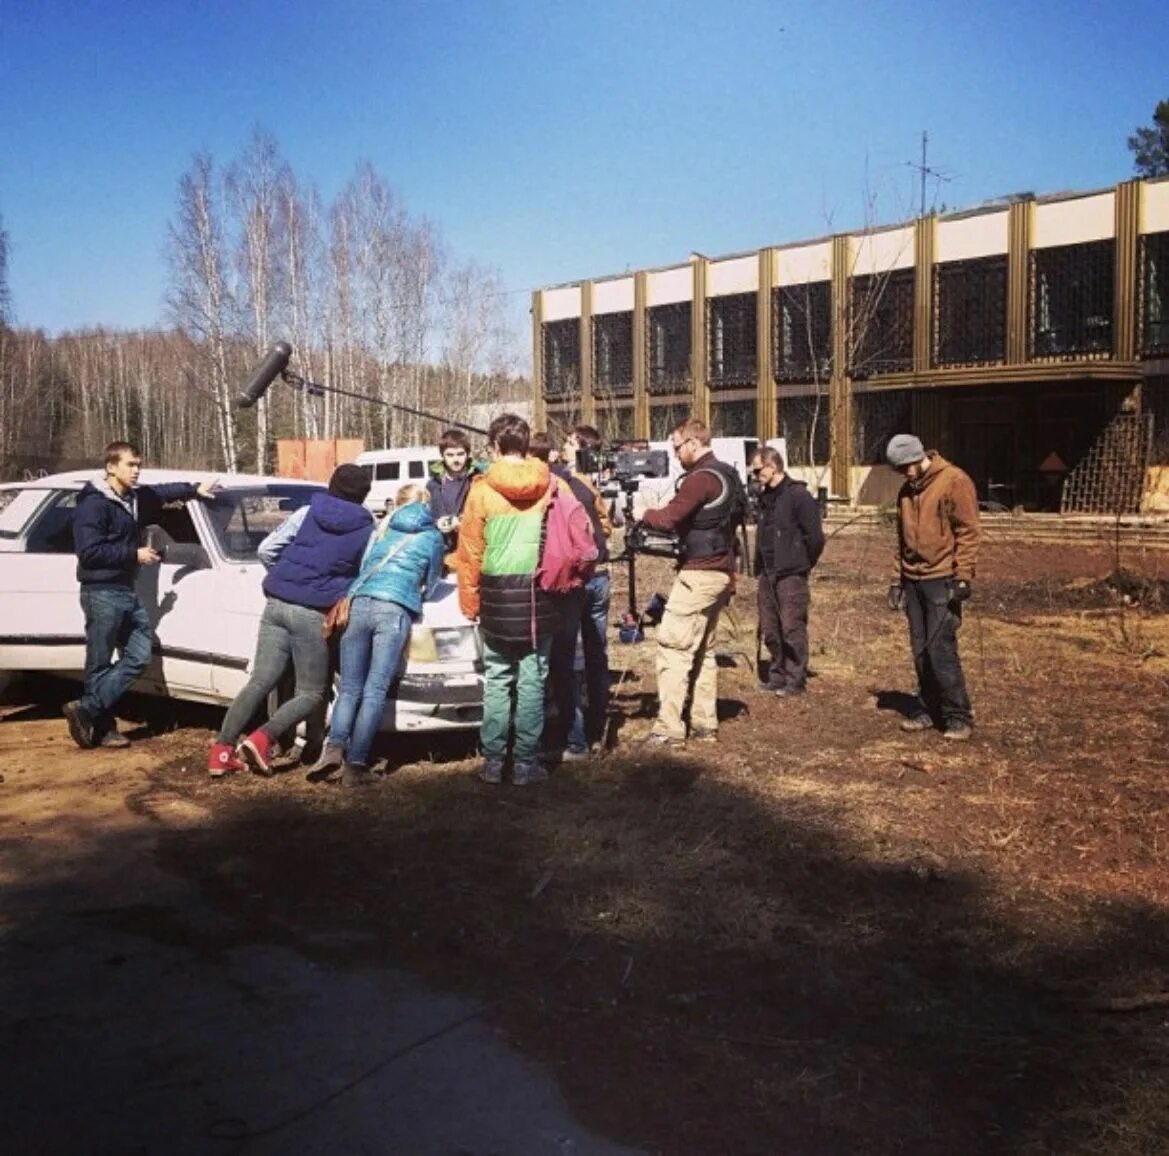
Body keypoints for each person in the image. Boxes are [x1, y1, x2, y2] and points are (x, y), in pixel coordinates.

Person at [207, 464, 373, 777]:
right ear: (364, 495)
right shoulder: (367, 529)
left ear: (331, 485)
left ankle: (221, 752)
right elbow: (363, 576)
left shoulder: (307, 512)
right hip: (312, 613)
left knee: (260, 680)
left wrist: (287, 578)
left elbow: (266, 549)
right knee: (311, 692)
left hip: (276, 603)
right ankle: (262, 738)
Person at [65, 441, 219, 749]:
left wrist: (193, 489)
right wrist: (133, 554)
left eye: (138, 465)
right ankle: (103, 728)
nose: (136, 471)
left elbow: (162, 492)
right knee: (99, 663)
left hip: (125, 588)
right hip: (101, 591)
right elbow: (89, 552)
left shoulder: (134, 498)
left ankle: (87, 709)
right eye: (130, 465)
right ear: (111, 467)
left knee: (137, 655)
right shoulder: (93, 505)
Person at [309, 484, 445, 787]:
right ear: (427, 506)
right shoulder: (432, 536)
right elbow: (433, 580)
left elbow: (364, 567)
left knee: (349, 688)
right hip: (393, 609)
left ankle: (333, 748)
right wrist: (419, 595)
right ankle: (356, 764)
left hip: (359, 603)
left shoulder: (382, 530)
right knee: (375, 689)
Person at [455, 413, 563, 786]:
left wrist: (469, 604)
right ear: (526, 444)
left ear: (494, 446)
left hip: (497, 597)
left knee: (498, 680)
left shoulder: (481, 490)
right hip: (538, 595)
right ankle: (525, 766)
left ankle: (493, 763)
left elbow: (469, 552)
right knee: (533, 680)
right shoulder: (549, 484)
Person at [638, 418, 744, 746]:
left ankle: (668, 729)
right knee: (703, 650)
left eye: (676, 446)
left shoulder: (700, 479)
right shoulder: (728, 474)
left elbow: (669, 518)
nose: (674, 453)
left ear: (694, 443)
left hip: (700, 572)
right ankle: (703, 723)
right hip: (721, 570)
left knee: (674, 647)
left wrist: (643, 512)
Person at [885, 433, 981, 742]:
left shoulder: (955, 480)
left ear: (918, 457)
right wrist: (896, 580)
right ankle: (927, 710)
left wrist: (963, 576)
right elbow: (901, 541)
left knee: (941, 649)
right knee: (920, 648)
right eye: (899, 470)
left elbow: (968, 532)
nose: (904, 474)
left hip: (942, 579)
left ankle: (957, 716)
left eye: (906, 467)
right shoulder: (906, 491)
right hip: (913, 579)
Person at [534, 426, 612, 761]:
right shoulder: (583, 483)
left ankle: (575, 738)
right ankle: (600, 725)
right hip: (601, 575)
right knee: (596, 653)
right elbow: (606, 524)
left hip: (575, 580)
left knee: (563, 660)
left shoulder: (552, 487)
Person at [750, 446, 825, 697]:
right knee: (770, 627)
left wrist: (801, 563)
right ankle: (777, 675)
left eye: (759, 470)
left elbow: (815, 537)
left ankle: (795, 680)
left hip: (791, 572)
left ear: (773, 467)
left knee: (792, 626)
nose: (756, 474)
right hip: (767, 572)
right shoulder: (764, 497)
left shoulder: (798, 495)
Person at [426, 428, 480, 548]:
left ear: (468, 454)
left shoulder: (477, 480)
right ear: (442, 456)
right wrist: (436, 523)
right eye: (450, 455)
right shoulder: (433, 484)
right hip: (441, 547)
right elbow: (425, 517)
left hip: (470, 547)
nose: (455, 460)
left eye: (460, 454)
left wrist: (462, 522)